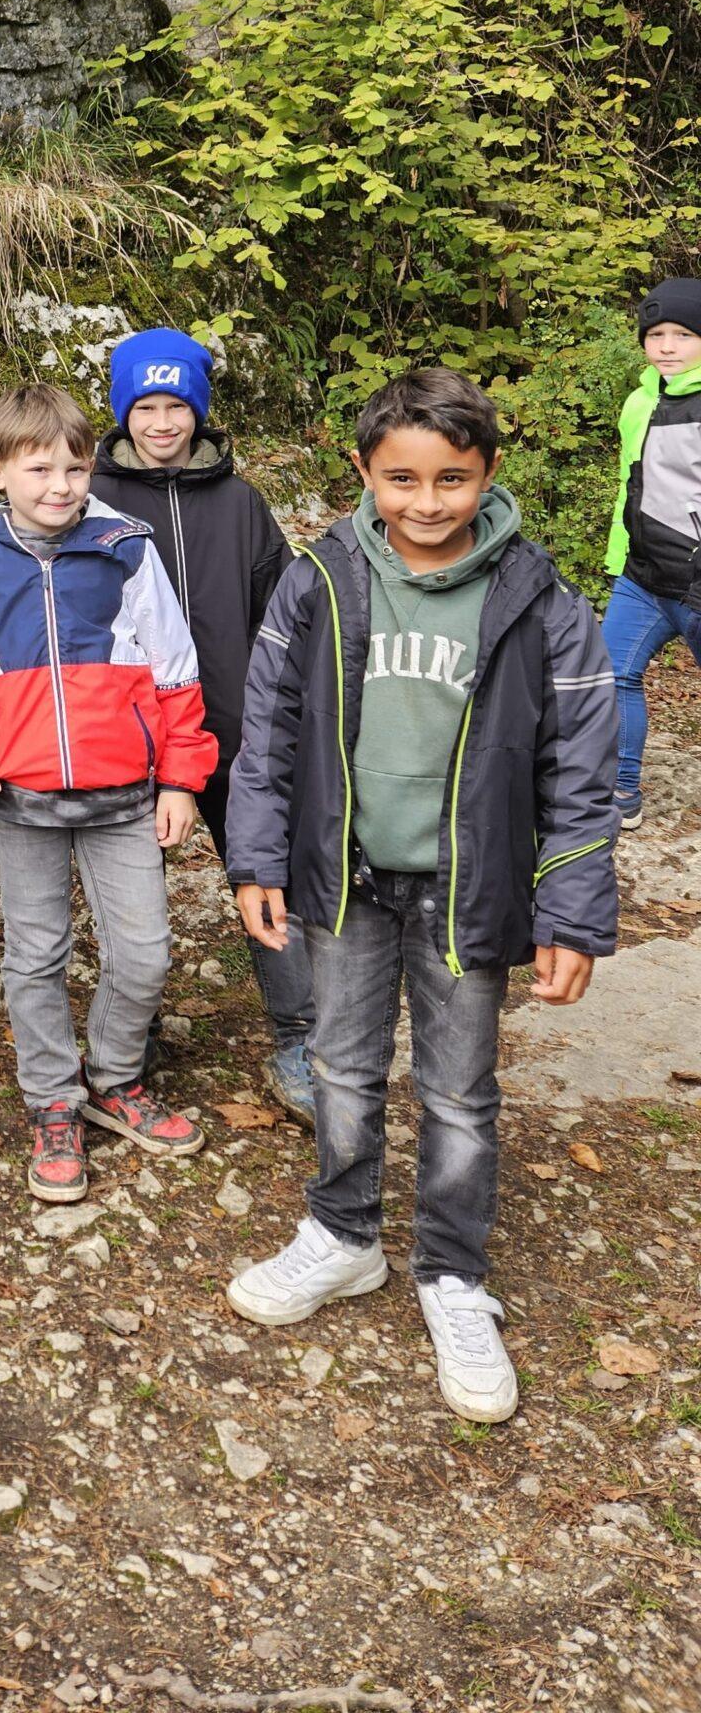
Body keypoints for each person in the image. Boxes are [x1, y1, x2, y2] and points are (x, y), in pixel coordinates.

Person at [225, 367, 617, 1424]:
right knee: (341, 1067)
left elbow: (582, 762)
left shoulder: (540, 597)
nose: (427, 501)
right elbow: (265, 733)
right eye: (401, 478)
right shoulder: (319, 577)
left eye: (452, 477)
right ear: (364, 472)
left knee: (457, 1092)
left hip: (469, 893)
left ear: (489, 472)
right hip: (343, 884)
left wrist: (572, 907)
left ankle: (452, 1275)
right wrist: (256, 859)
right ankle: (344, 1237)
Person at [0, 383, 215, 1206]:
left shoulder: (126, 548)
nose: (60, 485)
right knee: (36, 955)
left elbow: (176, 668)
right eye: (40, 468)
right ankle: (54, 1099)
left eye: (75, 467)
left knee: (145, 952)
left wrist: (182, 779)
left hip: (125, 797)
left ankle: (116, 1079)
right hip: (22, 802)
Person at [90, 327, 308, 1119]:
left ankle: (300, 1038)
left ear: (199, 411)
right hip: (130, 737)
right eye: (144, 405)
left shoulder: (241, 502)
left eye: (175, 405)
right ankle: (131, 1039)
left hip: (235, 734)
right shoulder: (93, 500)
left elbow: (285, 615)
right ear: (122, 412)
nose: (160, 422)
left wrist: (281, 716)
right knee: (131, 900)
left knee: (265, 875)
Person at [601, 277, 701, 831]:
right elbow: (630, 488)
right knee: (613, 675)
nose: (666, 346)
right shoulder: (640, 400)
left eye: (683, 334)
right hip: (641, 579)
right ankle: (620, 792)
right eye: (656, 333)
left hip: (695, 582)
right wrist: (621, 560)